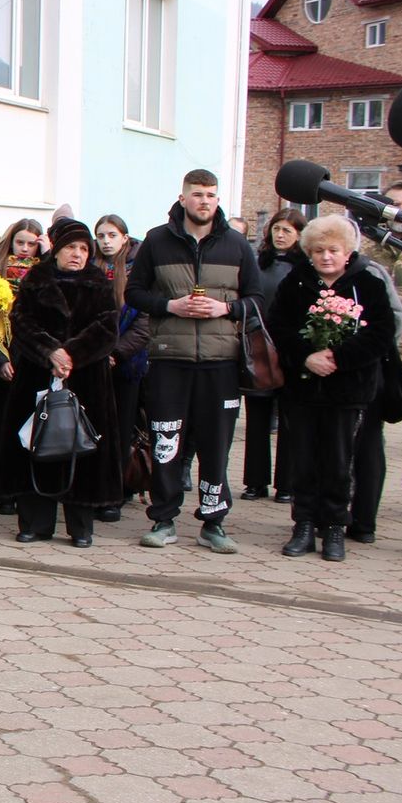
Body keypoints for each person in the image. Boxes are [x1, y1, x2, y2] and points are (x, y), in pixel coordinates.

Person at [125, 169, 261, 553]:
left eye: (211, 195)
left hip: (221, 361)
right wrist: (171, 305)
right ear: (183, 198)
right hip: (170, 358)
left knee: (217, 445)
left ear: (218, 200)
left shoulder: (236, 244)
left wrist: (226, 307)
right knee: (166, 441)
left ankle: (213, 522)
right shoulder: (157, 240)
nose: (205, 201)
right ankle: (164, 518)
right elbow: (133, 293)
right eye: (198, 194)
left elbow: (257, 299)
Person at [269, 215, 395, 561]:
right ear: (309, 252)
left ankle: (335, 526)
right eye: (319, 250)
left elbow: (381, 332)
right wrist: (306, 356)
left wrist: (338, 357)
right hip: (304, 388)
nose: (326, 257)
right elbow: (278, 325)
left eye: (333, 250)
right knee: (304, 458)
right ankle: (304, 524)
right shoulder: (296, 282)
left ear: (347, 251)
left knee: (339, 460)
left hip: (348, 388)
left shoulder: (366, 283)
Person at [0, 219, 123, 548]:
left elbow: (108, 326)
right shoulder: (37, 279)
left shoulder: (98, 282)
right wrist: (50, 352)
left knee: (80, 449)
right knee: (36, 446)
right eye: (70, 247)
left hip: (86, 379)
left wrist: (72, 354)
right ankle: (35, 523)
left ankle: (80, 526)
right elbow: (21, 321)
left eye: (83, 249)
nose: (77, 254)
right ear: (56, 249)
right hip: (38, 373)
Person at [352, 181, 402, 541]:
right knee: (367, 438)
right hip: (382, 361)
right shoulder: (370, 252)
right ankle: (362, 515)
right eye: (395, 204)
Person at [241, 209, 306, 504]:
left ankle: (287, 484)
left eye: (287, 231)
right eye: (277, 229)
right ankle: (255, 482)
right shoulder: (259, 263)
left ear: (299, 236)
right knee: (257, 418)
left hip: (291, 349)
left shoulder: (304, 268)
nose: (280, 235)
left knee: (290, 421)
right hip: (259, 347)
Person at [0, 219, 42, 511]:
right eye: (21, 242)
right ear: (10, 242)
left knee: (27, 425)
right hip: (1, 357)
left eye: (32, 243)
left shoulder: (44, 274)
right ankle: (1, 490)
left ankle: (25, 488)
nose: (26, 249)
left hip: (32, 358)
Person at [96, 213, 149, 521]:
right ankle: (93, 488)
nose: (106, 241)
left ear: (124, 238)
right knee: (95, 429)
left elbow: (143, 325)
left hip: (126, 364)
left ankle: (115, 492)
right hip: (93, 363)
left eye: (112, 235)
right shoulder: (91, 268)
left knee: (120, 430)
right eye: (101, 235)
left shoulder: (138, 272)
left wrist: (115, 353)